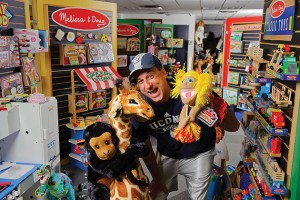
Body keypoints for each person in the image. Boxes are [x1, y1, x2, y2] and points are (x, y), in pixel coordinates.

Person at [129, 53, 239, 200]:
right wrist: (156, 177)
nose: (147, 85)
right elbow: (145, 145)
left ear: (163, 72)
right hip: (166, 154)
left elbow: (235, 127)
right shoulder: (139, 107)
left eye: (150, 76)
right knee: (156, 195)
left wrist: (216, 107)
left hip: (200, 152)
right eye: (140, 81)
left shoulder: (189, 87)